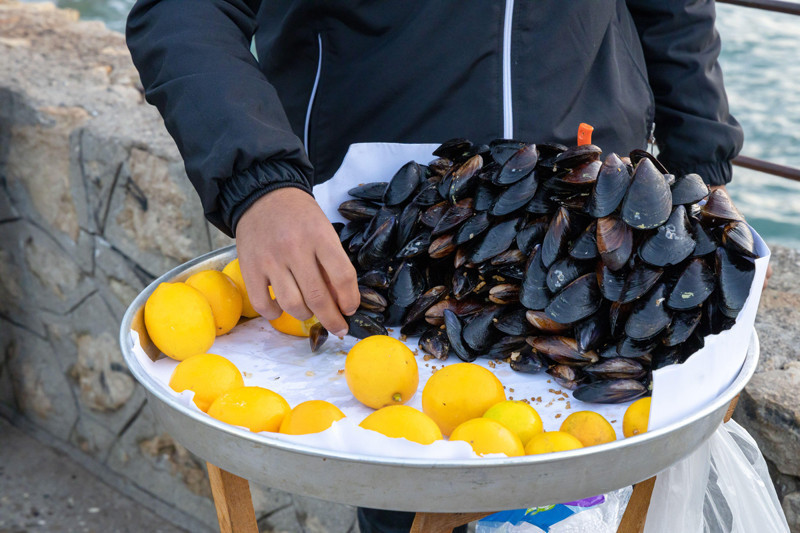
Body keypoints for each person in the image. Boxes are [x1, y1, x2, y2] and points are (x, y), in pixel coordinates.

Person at [126, 1, 743, 531]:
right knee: (403, 496)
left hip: (583, 237)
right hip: (382, 232)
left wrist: (703, 182)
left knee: (581, 505)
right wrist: (258, 182)